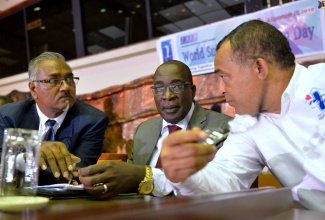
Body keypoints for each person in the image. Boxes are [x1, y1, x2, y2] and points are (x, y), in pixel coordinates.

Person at [159, 20, 325, 211]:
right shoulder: (247, 125)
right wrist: (185, 175)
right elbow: (226, 179)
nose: (221, 89)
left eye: (223, 77)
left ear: (259, 68)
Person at [78, 60, 232, 199]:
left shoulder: (222, 128)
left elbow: (216, 185)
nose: (167, 96)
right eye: (159, 88)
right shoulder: (144, 130)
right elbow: (129, 179)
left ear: (192, 91)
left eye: (176, 86)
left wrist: (143, 175)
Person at [0, 51, 109, 185]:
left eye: (69, 79)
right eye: (53, 81)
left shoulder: (93, 120)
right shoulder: (7, 116)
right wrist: (30, 155)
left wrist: (21, 164)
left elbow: (78, 173)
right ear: (33, 89)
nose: (66, 87)